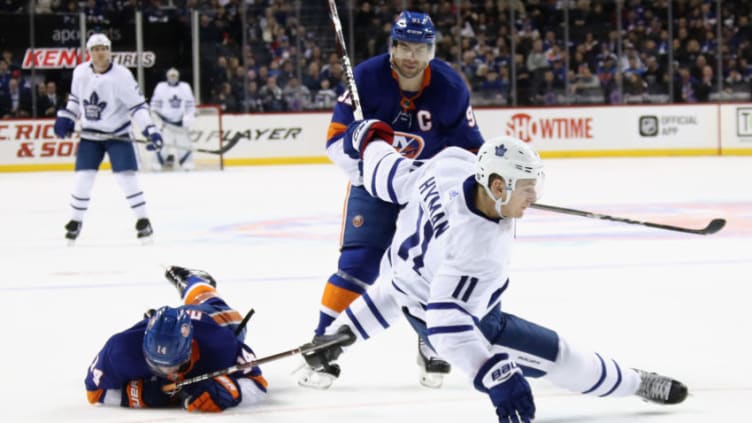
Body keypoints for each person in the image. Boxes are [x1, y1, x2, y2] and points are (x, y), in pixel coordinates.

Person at [301, 123, 689, 422]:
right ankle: (636, 382)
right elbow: (444, 324)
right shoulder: (481, 249)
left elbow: (392, 175)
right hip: (452, 319)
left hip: (403, 282)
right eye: (526, 188)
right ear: (498, 186)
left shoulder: (450, 164)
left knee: (405, 287)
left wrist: (369, 140)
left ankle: (341, 333)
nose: (534, 197)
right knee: (560, 357)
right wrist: (493, 373)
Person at [301, 10, 484, 390]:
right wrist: (360, 149)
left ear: (432, 50)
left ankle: (431, 339)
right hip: (373, 183)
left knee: (433, 269)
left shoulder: (450, 88)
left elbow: (471, 151)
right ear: (392, 47)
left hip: (426, 190)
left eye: (420, 48)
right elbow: (335, 141)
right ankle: (322, 344)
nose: (411, 57)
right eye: (403, 47)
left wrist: (474, 190)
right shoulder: (366, 79)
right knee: (358, 267)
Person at [85, 265, 267, 412]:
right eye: (156, 364)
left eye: (173, 364)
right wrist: (133, 396)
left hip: (211, 320)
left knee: (221, 310)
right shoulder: (120, 350)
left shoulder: (220, 343)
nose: (167, 372)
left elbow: (258, 384)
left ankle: (192, 281)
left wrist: (231, 391)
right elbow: (95, 393)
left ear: (190, 349)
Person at [53, 33, 163, 244]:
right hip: (90, 134)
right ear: (90, 52)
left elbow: (137, 106)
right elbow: (76, 100)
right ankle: (76, 221)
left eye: (104, 48)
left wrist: (150, 129)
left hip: (117, 134)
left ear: (109, 50)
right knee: (83, 178)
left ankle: (143, 220)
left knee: (126, 178)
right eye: (96, 49)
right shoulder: (80, 73)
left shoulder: (122, 76)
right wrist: (66, 118)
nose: (100, 52)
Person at [150, 67, 197, 171]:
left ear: (178, 76)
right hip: (165, 123)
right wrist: (157, 120)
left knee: (184, 143)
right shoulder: (160, 87)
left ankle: (187, 162)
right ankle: (156, 163)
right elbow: (154, 106)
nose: (173, 78)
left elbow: (191, 106)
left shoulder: (185, 87)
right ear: (167, 76)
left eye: (174, 76)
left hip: (180, 123)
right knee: (162, 144)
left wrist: (188, 118)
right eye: (171, 76)